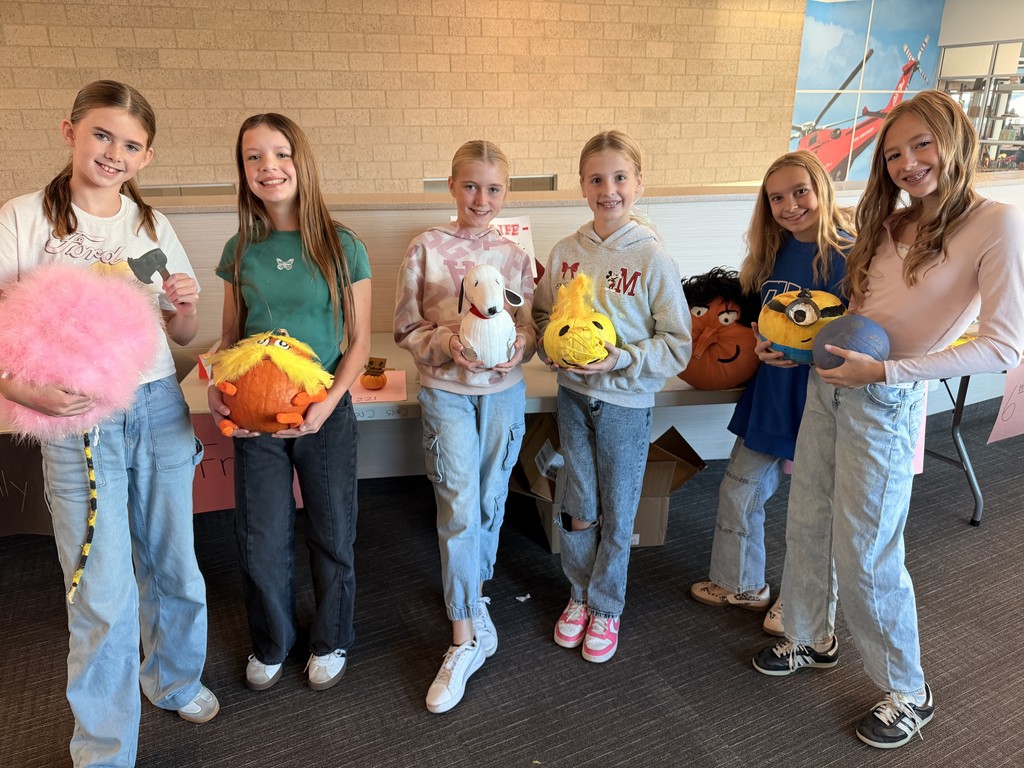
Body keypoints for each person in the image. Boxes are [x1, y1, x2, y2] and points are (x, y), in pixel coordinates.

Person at [751, 90, 1024, 749]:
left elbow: (1003, 347)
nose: (907, 163)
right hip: (829, 385)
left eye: (922, 144)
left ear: (955, 141)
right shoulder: (890, 221)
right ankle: (811, 634)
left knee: (868, 550)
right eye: (894, 153)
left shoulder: (996, 223)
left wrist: (886, 374)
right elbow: (856, 313)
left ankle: (908, 689)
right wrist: (794, 350)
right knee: (808, 518)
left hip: (885, 399)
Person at [0, 80, 217, 767]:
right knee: (101, 590)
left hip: (157, 405)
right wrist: (17, 388)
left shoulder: (150, 226)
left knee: (175, 563)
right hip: (77, 422)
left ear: (146, 156)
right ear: (70, 132)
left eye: (130, 144)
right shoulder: (24, 218)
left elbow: (182, 333)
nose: (113, 152)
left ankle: (174, 679)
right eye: (101, 134)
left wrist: (186, 306)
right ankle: (103, 750)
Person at [209, 113, 372, 693]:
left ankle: (330, 639)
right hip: (256, 420)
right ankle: (272, 642)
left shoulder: (342, 245)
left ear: (301, 161)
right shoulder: (240, 250)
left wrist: (326, 405)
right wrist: (216, 388)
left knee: (332, 533)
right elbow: (230, 339)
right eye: (253, 156)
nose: (268, 167)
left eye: (280, 153)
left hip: (323, 414)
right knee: (260, 539)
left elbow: (359, 343)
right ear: (243, 170)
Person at [533, 130, 692, 663]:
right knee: (578, 503)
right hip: (573, 397)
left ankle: (606, 605)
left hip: (626, 402)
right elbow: (541, 315)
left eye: (620, 177)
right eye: (597, 179)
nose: (609, 189)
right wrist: (551, 348)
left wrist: (621, 359)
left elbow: (678, 345)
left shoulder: (653, 258)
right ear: (582, 185)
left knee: (619, 509)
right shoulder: (565, 252)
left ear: (638, 183)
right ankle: (579, 594)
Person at [394, 140, 536, 713]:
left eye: (494, 188)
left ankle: (474, 598)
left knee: (491, 500)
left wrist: (520, 346)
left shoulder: (516, 254)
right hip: (446, 392)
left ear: (506, 192)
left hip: (503, 396)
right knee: (457, 503)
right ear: (452, 186)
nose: (482, 198)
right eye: (471, 185)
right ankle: (462, 638)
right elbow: (406, 327)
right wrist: (446, 343)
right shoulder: (425, 247)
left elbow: (530, 325)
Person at [690, 151, 852, 637]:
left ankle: (803, 604)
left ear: (822, 189)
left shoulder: (851, 254)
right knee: (739, 488)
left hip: (823, 397)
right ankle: (740, 583)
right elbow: (765, 322)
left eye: (800, 191)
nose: (790, 205)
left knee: (816, 511)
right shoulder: (769, 254)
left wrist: (813, 357)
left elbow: (862, 333)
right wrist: (759, 344)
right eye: (777, 197)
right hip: (772, 393)